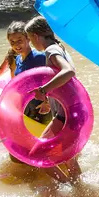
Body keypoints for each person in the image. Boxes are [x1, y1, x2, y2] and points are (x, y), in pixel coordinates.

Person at [25, 15, 83, 182]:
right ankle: (78, 193)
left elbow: (68, 71)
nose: (31, 44)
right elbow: (65, 83)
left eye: (30, 39)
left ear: (36, 36)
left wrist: (44, 90)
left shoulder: (51, 50)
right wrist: (48, 101)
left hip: (66, 115)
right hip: (72, 111)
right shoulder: (59, 47)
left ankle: (67, 185)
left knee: (36, 155)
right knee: (69, 159)